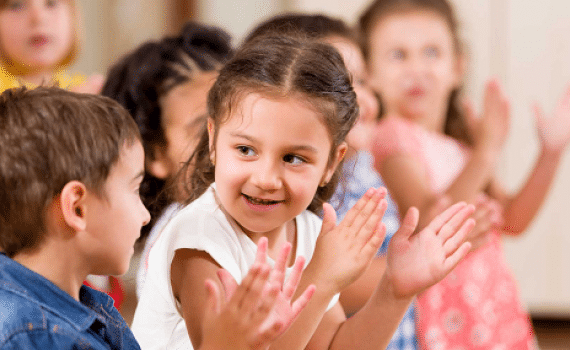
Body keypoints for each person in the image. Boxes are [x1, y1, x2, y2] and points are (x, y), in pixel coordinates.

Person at [131, 33, 477, 350]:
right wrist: (320, 279)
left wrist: (395, 291)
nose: (266, 178)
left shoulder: (308, 231)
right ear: (213, 140)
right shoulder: (198, 242)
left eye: (293, 158)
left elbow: (332, 347)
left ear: (330, 163)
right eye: (246, 150)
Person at [0, 86, 314, 350]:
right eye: (135, 189)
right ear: (77, 208)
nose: (144, 214)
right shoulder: (37, 336)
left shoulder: (81, 305)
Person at [360, 0, 570, 348]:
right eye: (398, 55)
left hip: (491, 307)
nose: (417, 68)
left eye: (431, 52)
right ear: (371, 74)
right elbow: (431, 221)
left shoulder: (461, 148)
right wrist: (486, 151)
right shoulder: (391, 137)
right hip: (447, 316)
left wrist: (549, 154)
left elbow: (514, 219)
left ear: (458, 67)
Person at [243, 13, 413, 349]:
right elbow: (325, 285)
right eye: (341, 86)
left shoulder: (368, 166)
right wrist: (400, 272)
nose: (361, 99)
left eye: (362, 81)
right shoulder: (290, 195)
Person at [101, 21, 233, 296]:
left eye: (236, 116)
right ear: (152, 154)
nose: (232, 138)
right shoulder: (189, 240)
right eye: (202, 127)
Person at [0, 0, 103, 93]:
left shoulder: (86, 88)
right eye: (16, 5)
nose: (38, 18)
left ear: (73, 16)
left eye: (51, 3)